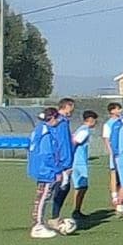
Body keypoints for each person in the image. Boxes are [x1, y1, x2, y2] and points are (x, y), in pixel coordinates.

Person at [26, 107, 67, 239]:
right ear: (53, 118)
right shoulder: (46, 133)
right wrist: (57, 170)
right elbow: (47, 154)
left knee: (42, 197)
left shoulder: (39, 130)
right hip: (46, 170)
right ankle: (37, 226)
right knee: (43, 197)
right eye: (57, 118)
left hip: (40, 168)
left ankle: (39, 223)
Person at [45, 98, 77, 230]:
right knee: (60, 189)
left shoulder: (59, 122)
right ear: (66, 107)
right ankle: (53, 218)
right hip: (62, 163)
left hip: (60, 162)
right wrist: (66, 163)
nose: (72, 111)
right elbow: (62, 144)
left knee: (61, 189)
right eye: (71, 108)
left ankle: (52, 217)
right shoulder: (61, 122)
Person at [69, 110, 99, 220]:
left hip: (78, 162)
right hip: (79, 162)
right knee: (81, 187)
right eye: (95, 120)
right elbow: (74, 143)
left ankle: (77, 210)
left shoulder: (81, 129)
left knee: (81, 187)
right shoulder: (84, 131)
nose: (96, 123)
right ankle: (76, 211)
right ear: (90, 120)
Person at [102, 102, 123, 208]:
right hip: (115, 153)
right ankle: (114, 196)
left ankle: (122, 197)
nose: (120, 110)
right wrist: (111, 152)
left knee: (122, 175)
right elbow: (106, 139)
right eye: (118, 109)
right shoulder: (108, 124)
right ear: (112, 111)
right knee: (113, 174)